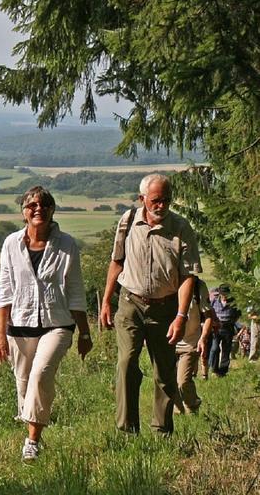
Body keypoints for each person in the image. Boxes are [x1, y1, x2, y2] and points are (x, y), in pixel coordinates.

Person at [99, 173, 203, 434]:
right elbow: (116, 262)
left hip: (165, 307)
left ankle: (162, 431)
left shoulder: (180, 227)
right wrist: (106, 302)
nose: (161, 206)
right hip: (130, 303)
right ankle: (127, 430)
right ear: (142, 199)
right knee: (126, 363)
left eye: (166, 200)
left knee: (165, 371)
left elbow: (187, 277)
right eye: (155, 200)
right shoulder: (128, 221)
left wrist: (181, 316)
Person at [0, 186, 92, 462]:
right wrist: (0, 334)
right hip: (20, 326)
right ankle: (35, 421)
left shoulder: (66, 244)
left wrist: (84, 332)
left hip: (57, 324)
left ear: (52, 210)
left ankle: (32, 442)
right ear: (23, 212)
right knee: (25, 385)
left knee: (41, 375)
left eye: (45, 204)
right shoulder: (11, 244)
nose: (38, 209)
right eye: (32, 205)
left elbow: (75, 291)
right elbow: (4, 291)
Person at [173, 276, 213, 415]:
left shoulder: (198, 286)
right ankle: (178, 412)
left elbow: (208, 316)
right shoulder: (166, 281)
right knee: (169, 381)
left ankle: (193, 403)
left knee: (182, 381)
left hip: (190, 343)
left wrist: (203, 338)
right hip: (169, 342)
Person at [210, 284, 240, 376]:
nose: (225, 296)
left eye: (226, 294)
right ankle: (214, 369)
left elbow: (238, 314)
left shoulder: (233, 302)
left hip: (228, 327)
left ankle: (223, 371)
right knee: (215, 349)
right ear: (220, 293)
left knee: (226, 350)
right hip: (216, 328)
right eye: (223, 294)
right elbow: (210, 312)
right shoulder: (214, 301)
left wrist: (232, 322)